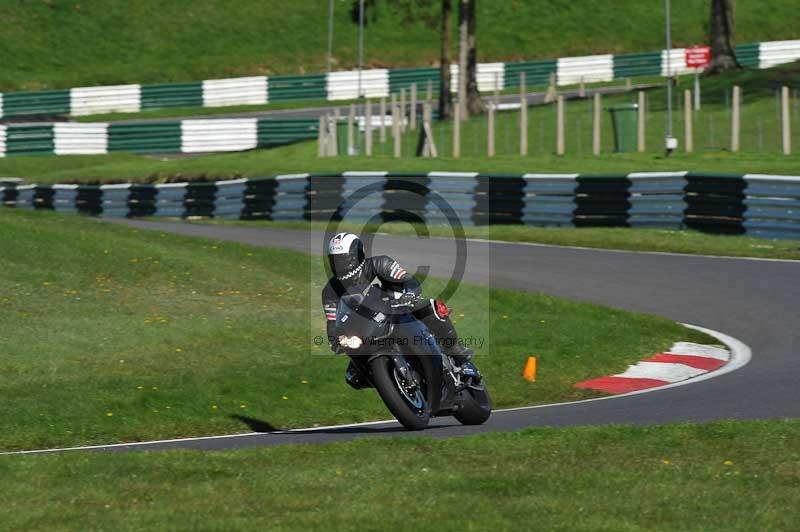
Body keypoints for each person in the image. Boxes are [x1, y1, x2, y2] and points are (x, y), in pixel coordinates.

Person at [322, 232, 474, 389]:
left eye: (345, 259)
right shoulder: (330, 291)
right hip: (366, 329)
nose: (341, 265)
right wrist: (334, 339)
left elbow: (409, 281)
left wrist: (408, 295)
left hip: (398, 309)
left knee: (430, 307)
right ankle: (391, 382)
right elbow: (332, 321)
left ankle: (454, 347)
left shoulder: (380, 263)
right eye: (336, 260)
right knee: (354, 376)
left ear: (358, 255)